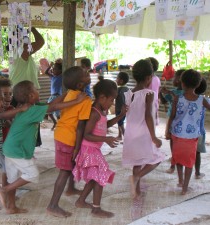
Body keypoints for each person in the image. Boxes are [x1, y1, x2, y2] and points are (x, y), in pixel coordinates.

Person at [0, 80, 86, 214]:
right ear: (31, 96)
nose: (38, 91)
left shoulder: (30, 106)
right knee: (33, 175)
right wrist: (77, 101)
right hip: (17, 150)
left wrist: (66, 94)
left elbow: (51, 104)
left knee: (13, 179)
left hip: (10, 148)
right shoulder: (32, 110)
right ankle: (4, 190)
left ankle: (11, 207)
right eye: (36, 90)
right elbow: (54, 108)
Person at [73, 78, 127, 218]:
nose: (112, 103)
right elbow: (87, 134)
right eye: (111, 100)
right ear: (102, 97)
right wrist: (106, 139)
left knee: (94, 178)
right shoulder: (94, 112)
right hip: (89, 149)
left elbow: (105, 125)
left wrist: (121, 115)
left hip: (93, 149)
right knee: (100, 176)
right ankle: (96, 209)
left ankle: (80, 201)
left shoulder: (101, 112)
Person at [47, 66, 92, 218]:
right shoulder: (85, 100)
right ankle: (53, 205)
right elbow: (80, 127)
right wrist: (77, 148)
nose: (89, 72)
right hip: (69, 138)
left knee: (70, 165)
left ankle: (71, 189)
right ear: (80, 84)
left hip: (60, 134)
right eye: (86, 74)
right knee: (65, 171)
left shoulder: (70, 93)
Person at [122, 59, 164, 200]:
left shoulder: (128, 93)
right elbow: (148, 116)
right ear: (148, 78)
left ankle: (137, 191)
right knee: (157, 158)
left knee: (137, 162)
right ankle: (137, 177)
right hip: (143, 133)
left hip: (131, 133)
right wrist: (154, 137)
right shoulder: (149, 93)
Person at [166, 69, 210, 195]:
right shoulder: (201, 100)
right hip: (191, 137)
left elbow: (172, 116)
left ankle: (180, 181)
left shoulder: (177, 98)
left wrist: (168, 131)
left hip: (177, 134)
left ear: (182, 83)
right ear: (198, 85)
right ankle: (185, 188)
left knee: (178, 159)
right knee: (189, 162)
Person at [159, 69, 185, 174]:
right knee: (178, 142)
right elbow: (165, 100)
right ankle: (175, 162)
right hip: (182, 121)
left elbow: (165, 101)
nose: (173, 79)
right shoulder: (184, 92)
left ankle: (173, 165)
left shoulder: (176, 92)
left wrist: (162, 92)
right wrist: (162, 92)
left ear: (180, 80)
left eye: (175, 77)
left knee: (173, 142)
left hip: (173, 120)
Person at [0, 79, 14, 189]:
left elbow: (13, 126)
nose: (8, 97)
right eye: (4, 94)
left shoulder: (11, 109)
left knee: (6, 167)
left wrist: (6, 119)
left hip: (6, 144)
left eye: (10, 94)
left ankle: (4, 188)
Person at [194, 78, 208, 179]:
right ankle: (197, 173)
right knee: (197, 153)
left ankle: (182, 175)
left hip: (186, 132)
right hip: (199, 131)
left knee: (187, 152)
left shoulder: (185, 98)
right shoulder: (205, 100)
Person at [45, 61, 63, 130]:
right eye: (53, 68)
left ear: (60, 70)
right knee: (48, 111)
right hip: (52, 96)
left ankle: (60, 125)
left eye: (55, 69)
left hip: (57, 96)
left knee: (57, 114)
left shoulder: (61, 76)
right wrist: (50, 66)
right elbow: (46, 72)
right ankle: (56, 123)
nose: (53, 70)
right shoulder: (52, 77)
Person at [115, 71, 129, 140]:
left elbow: (114, 96)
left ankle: (126, 139)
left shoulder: (119, 89)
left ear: (121, 81)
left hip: (119, 110)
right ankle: (119, 135)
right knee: (120, 122)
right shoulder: (127, 88)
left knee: (120, 123)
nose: (116, 80)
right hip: (125, 109)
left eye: (117, 78)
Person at [147, 57, 161, 125]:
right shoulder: (157, 78)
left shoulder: (148, 79)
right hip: (154, 102)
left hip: (150, 103)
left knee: (149, 121)